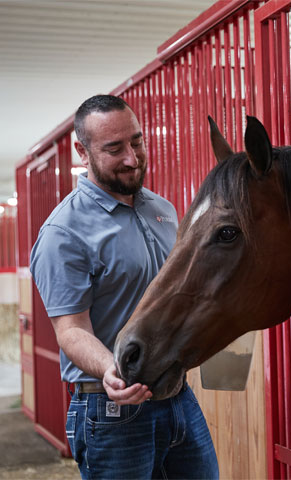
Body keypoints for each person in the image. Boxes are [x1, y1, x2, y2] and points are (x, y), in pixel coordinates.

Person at [30, 94, 219, 479]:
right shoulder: (63, 232)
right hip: (111, 409)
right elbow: (71, 329)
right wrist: (109, 369)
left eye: (137, 141)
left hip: (177, 397)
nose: (132, 158)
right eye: (114, 148)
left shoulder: (162, 209)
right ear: (82, 152)